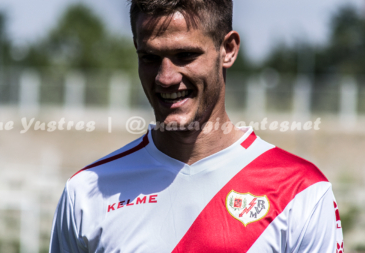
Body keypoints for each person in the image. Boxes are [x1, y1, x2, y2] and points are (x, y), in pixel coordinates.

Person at [50, 0, 344, 252]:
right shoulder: (86, 192)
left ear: (228, 50)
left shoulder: (301, 192)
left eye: (185, 56)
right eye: (150, 58)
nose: (166, 77)